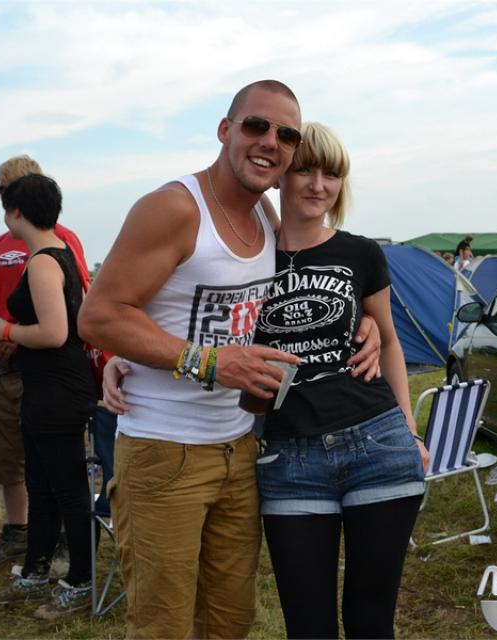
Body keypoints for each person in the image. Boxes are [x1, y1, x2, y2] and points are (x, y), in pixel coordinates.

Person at [78, 80, 380, 640]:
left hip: (240, 450)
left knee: (230, 621)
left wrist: (365, 321)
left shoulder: (265, 213)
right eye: (256, 126)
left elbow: (300, 285)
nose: (270, 142)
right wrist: (208, 363)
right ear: (225, 129)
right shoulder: (174, 208)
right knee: (164, 626)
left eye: (286, 135)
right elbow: (99, 316)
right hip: (164, 451)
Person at [252, 122, 429, 639]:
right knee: (308, 627)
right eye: (305, 169)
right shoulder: (248, 257)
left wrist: (410, 429)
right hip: (290, 459)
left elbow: (389, 342)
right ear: (280, 174)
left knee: (371, 622)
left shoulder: (361, 253)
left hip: (378, 444)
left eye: (331, 174)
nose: (318, 185)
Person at [0, 174, 97, 618]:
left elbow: (55, 333)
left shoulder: (42, 262)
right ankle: (36, 571)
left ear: (16, 212)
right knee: (41, 483)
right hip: (46, 388)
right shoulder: (58, 252)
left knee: (67, 489)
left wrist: (4, 330)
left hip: (57, 390)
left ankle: (83, 579)